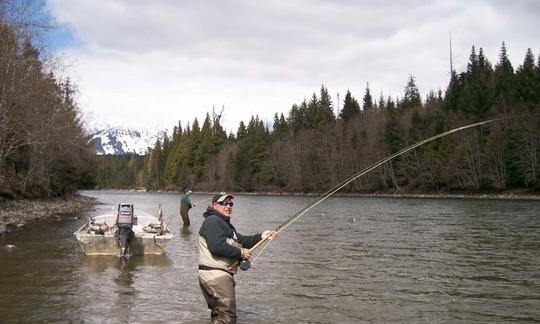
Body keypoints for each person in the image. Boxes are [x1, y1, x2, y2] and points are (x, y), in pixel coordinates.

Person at [198, 192, 277, 324]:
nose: (228, 206)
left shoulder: (224, 224)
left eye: (230, 203)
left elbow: (241, 240)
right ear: (214, 205)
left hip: (216, 276)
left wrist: (262, 236)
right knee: (228, 318)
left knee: (219, 315)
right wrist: (241, 253)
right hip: (216, 276)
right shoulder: (213, 221)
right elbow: (216, 246)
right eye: (224, 203)